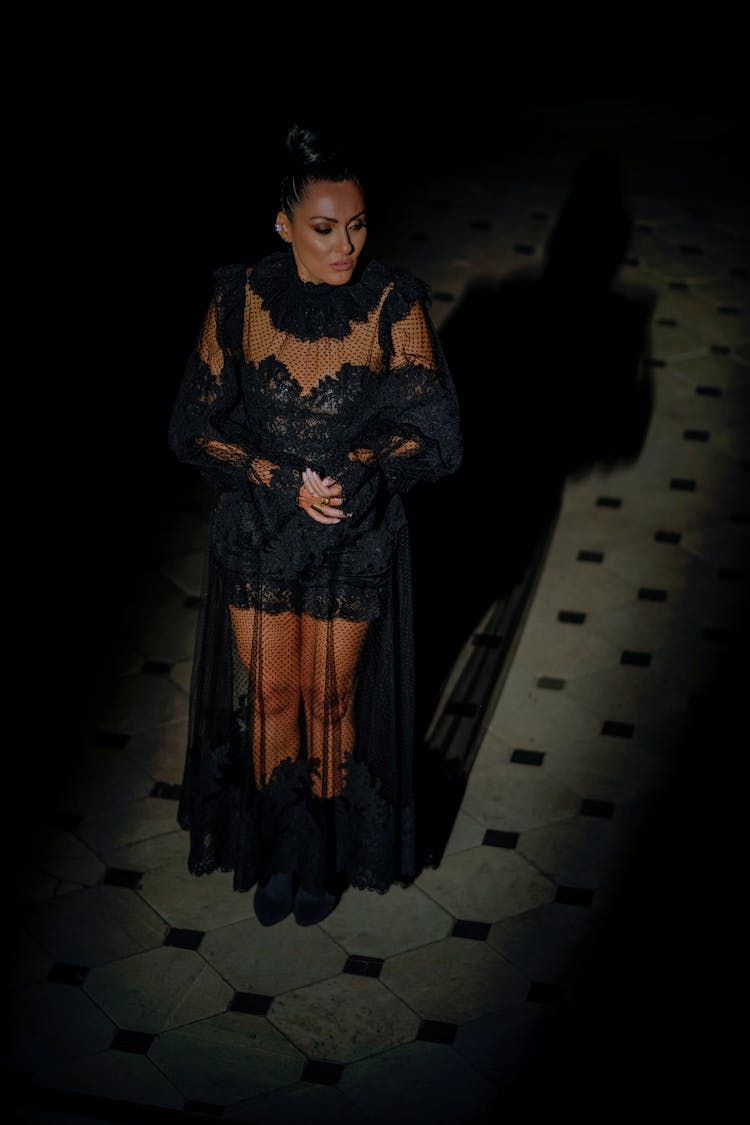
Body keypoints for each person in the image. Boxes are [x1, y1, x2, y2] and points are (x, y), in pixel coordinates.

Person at [168, 122, 462, 927]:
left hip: (352, 537)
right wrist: (271, 475)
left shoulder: (391, 303)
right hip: (263, 528)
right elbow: (195, 423)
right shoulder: (239, 299)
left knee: (330, 698)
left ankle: (321, 850)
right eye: (327, 228)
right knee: (271, 695)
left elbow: (433, 431)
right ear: (284, 224)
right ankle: (277, 846)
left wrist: (363, 461)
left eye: (359, 224)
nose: (348, 244)